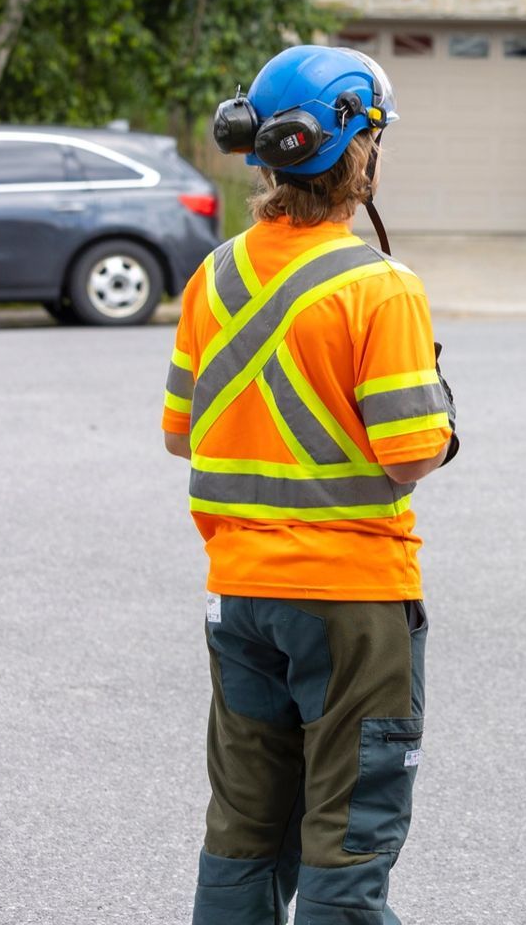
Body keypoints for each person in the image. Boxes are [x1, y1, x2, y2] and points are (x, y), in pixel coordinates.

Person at [162, 45, 456, 925]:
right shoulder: (379, 285)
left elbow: (181, 434)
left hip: (241, 596)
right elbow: (409, 452)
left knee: (243, 832)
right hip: (352, 606)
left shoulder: (214, 275)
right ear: (358, 154)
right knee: (347, 839)